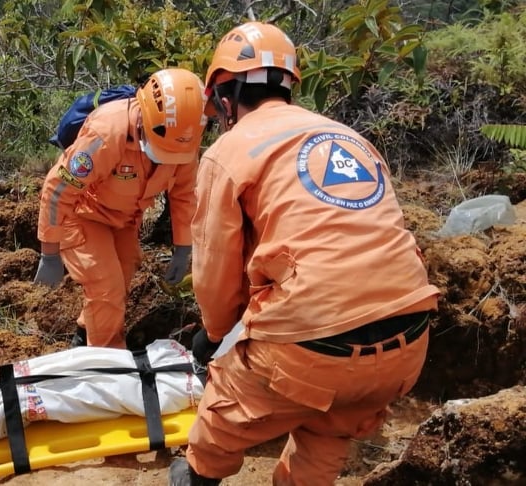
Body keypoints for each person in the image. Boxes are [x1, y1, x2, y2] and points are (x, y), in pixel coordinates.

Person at [168, 22, 441, 486]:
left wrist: (215, 336)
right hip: (408, 343)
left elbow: (215, 273)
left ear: (225, 97)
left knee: (225, 411)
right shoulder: (350, 138)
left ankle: (197, 478)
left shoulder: (228, 153)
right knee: (331, 431)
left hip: (309, 349)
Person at [33, 67, 207, 349]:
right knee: (107, 286)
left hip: (125, 220)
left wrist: (183, 249)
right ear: (145, 119)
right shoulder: (107, 133)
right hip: (82, 215)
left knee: (122, 278)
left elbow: (185, 195)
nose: (168, 160)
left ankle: (85, 336)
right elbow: (58, 189)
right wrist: (49, 254)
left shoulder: (182, 139)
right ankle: (106, 359)